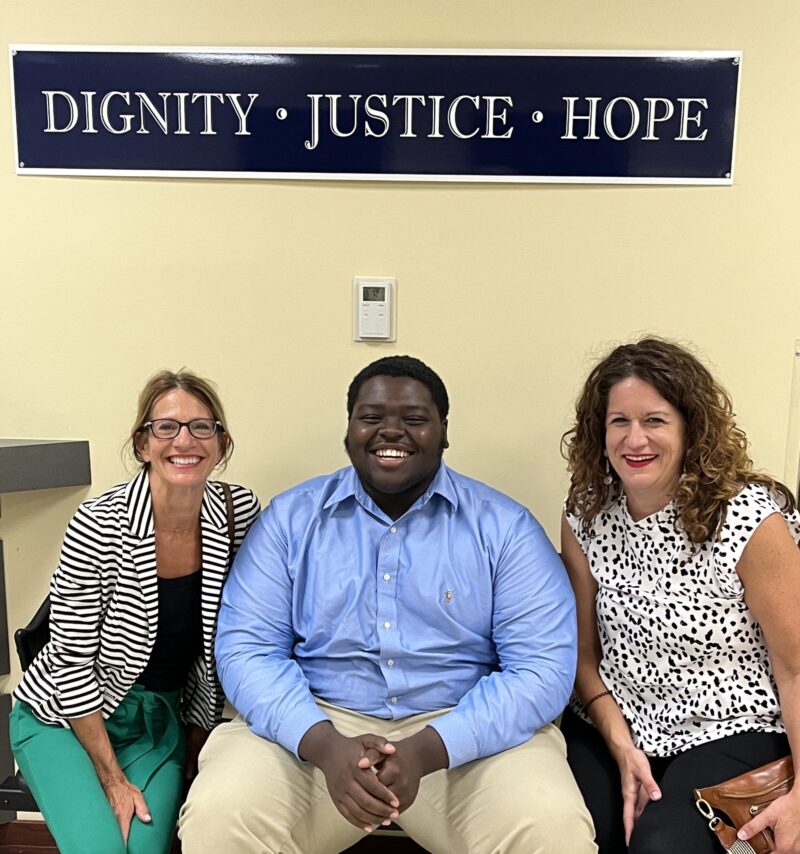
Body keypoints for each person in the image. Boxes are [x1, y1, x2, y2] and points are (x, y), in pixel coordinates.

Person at [179, 355, 596, 854]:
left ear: (443, 432)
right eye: (371, 418)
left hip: (464, 736)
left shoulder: (505, 529)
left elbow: (542, 669)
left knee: (552, 829)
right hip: (313, 729)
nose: (390, 432)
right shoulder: (290, 521)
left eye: (414, 419)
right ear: (349, 430)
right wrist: (321, 742)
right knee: (221, 815)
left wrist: (429, 748)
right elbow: (246, 651)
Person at [559, 337, 800, 854]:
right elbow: (582, 657)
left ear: (692, 428)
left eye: (655, 420)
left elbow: (797, 667)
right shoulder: (585, 513)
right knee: (573, 835)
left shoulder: (750, 519)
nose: (635, 439)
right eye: (618, 421)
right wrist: (620, 744)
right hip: (612, 721)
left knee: (661, 844)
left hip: (732, 726)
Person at [10, 370, 260, 854]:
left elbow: (244, 630)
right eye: (166, 427)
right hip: (63, 717)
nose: (184, 440)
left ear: (221, 443)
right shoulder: (99, 523)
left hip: (157, 721)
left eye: (201, 427)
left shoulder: (238, 513)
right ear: (143, 443)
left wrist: (199, 745)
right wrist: (112, 778)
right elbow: (69, 660)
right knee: (102, 848)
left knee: (145, 847)